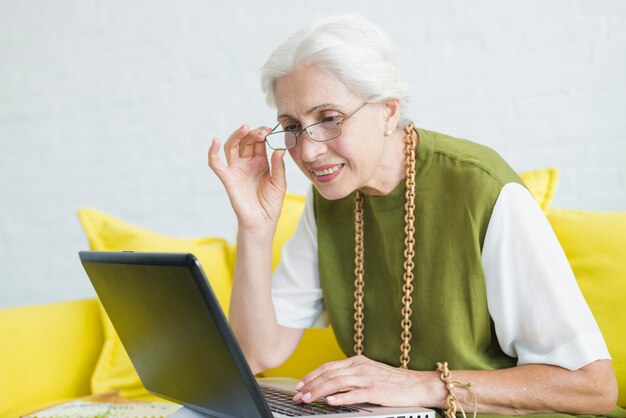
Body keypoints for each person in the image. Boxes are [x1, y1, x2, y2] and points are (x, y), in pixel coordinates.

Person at [208, 15, 620, 416]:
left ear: (388, 111)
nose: (309, 151)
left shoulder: (481, 188)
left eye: (329, 119)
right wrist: (256, 228)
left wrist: (423, 385)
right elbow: (257, 352)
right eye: (292, 126)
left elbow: (593, 386)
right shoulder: (332, 198)